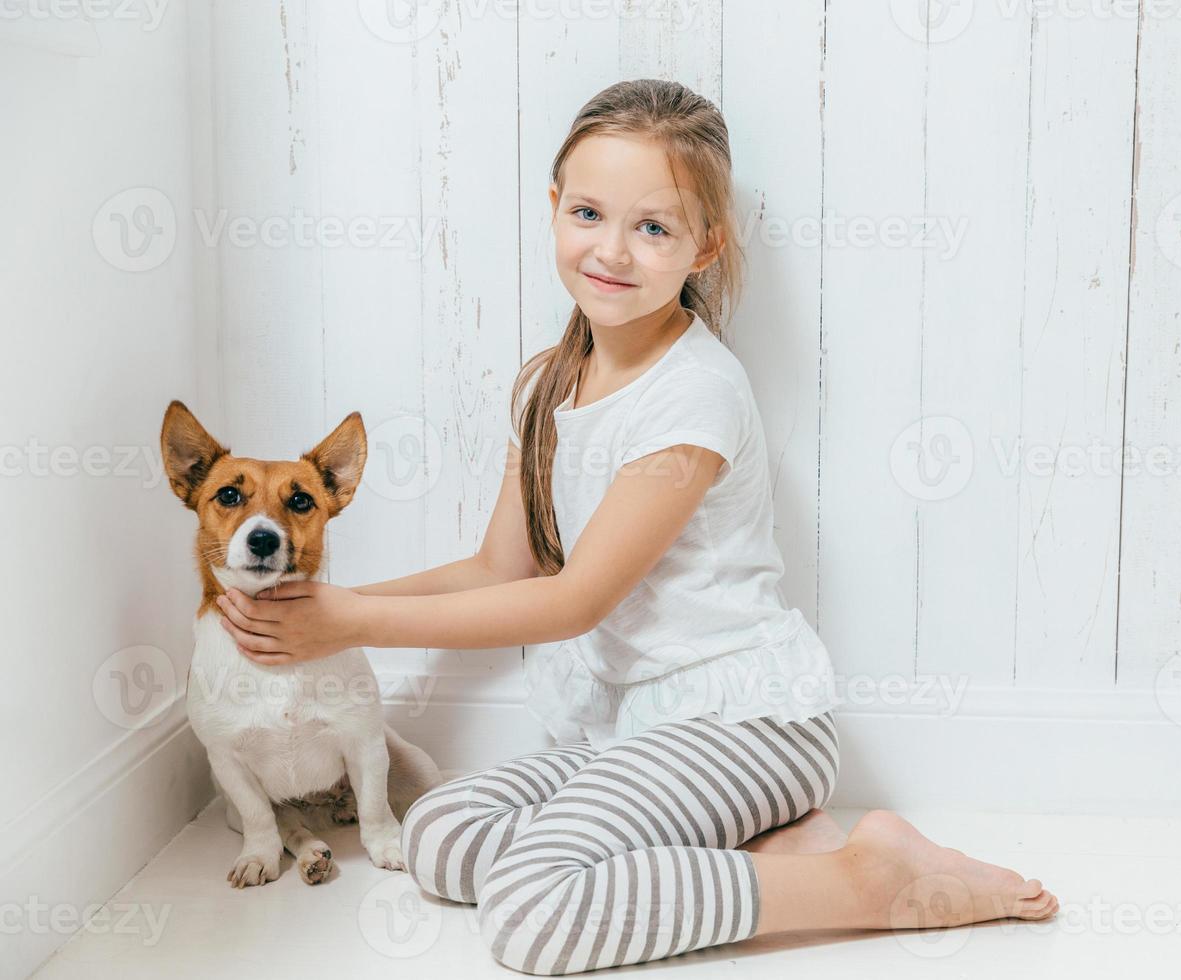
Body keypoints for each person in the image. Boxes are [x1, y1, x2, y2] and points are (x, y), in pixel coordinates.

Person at [215, 78, 1057, 976]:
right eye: (589, 213)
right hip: (634, 732)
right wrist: (322, 605)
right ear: (554, 208)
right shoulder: (550, 383)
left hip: (744, 723)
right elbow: (502, 567)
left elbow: (575, 601)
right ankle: (771, 847)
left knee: (534, 912)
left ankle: (870, 881)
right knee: (440, 835)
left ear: (706, 245)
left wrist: (350, 625)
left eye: (654, 227)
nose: (612, 250)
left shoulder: (694, 395)